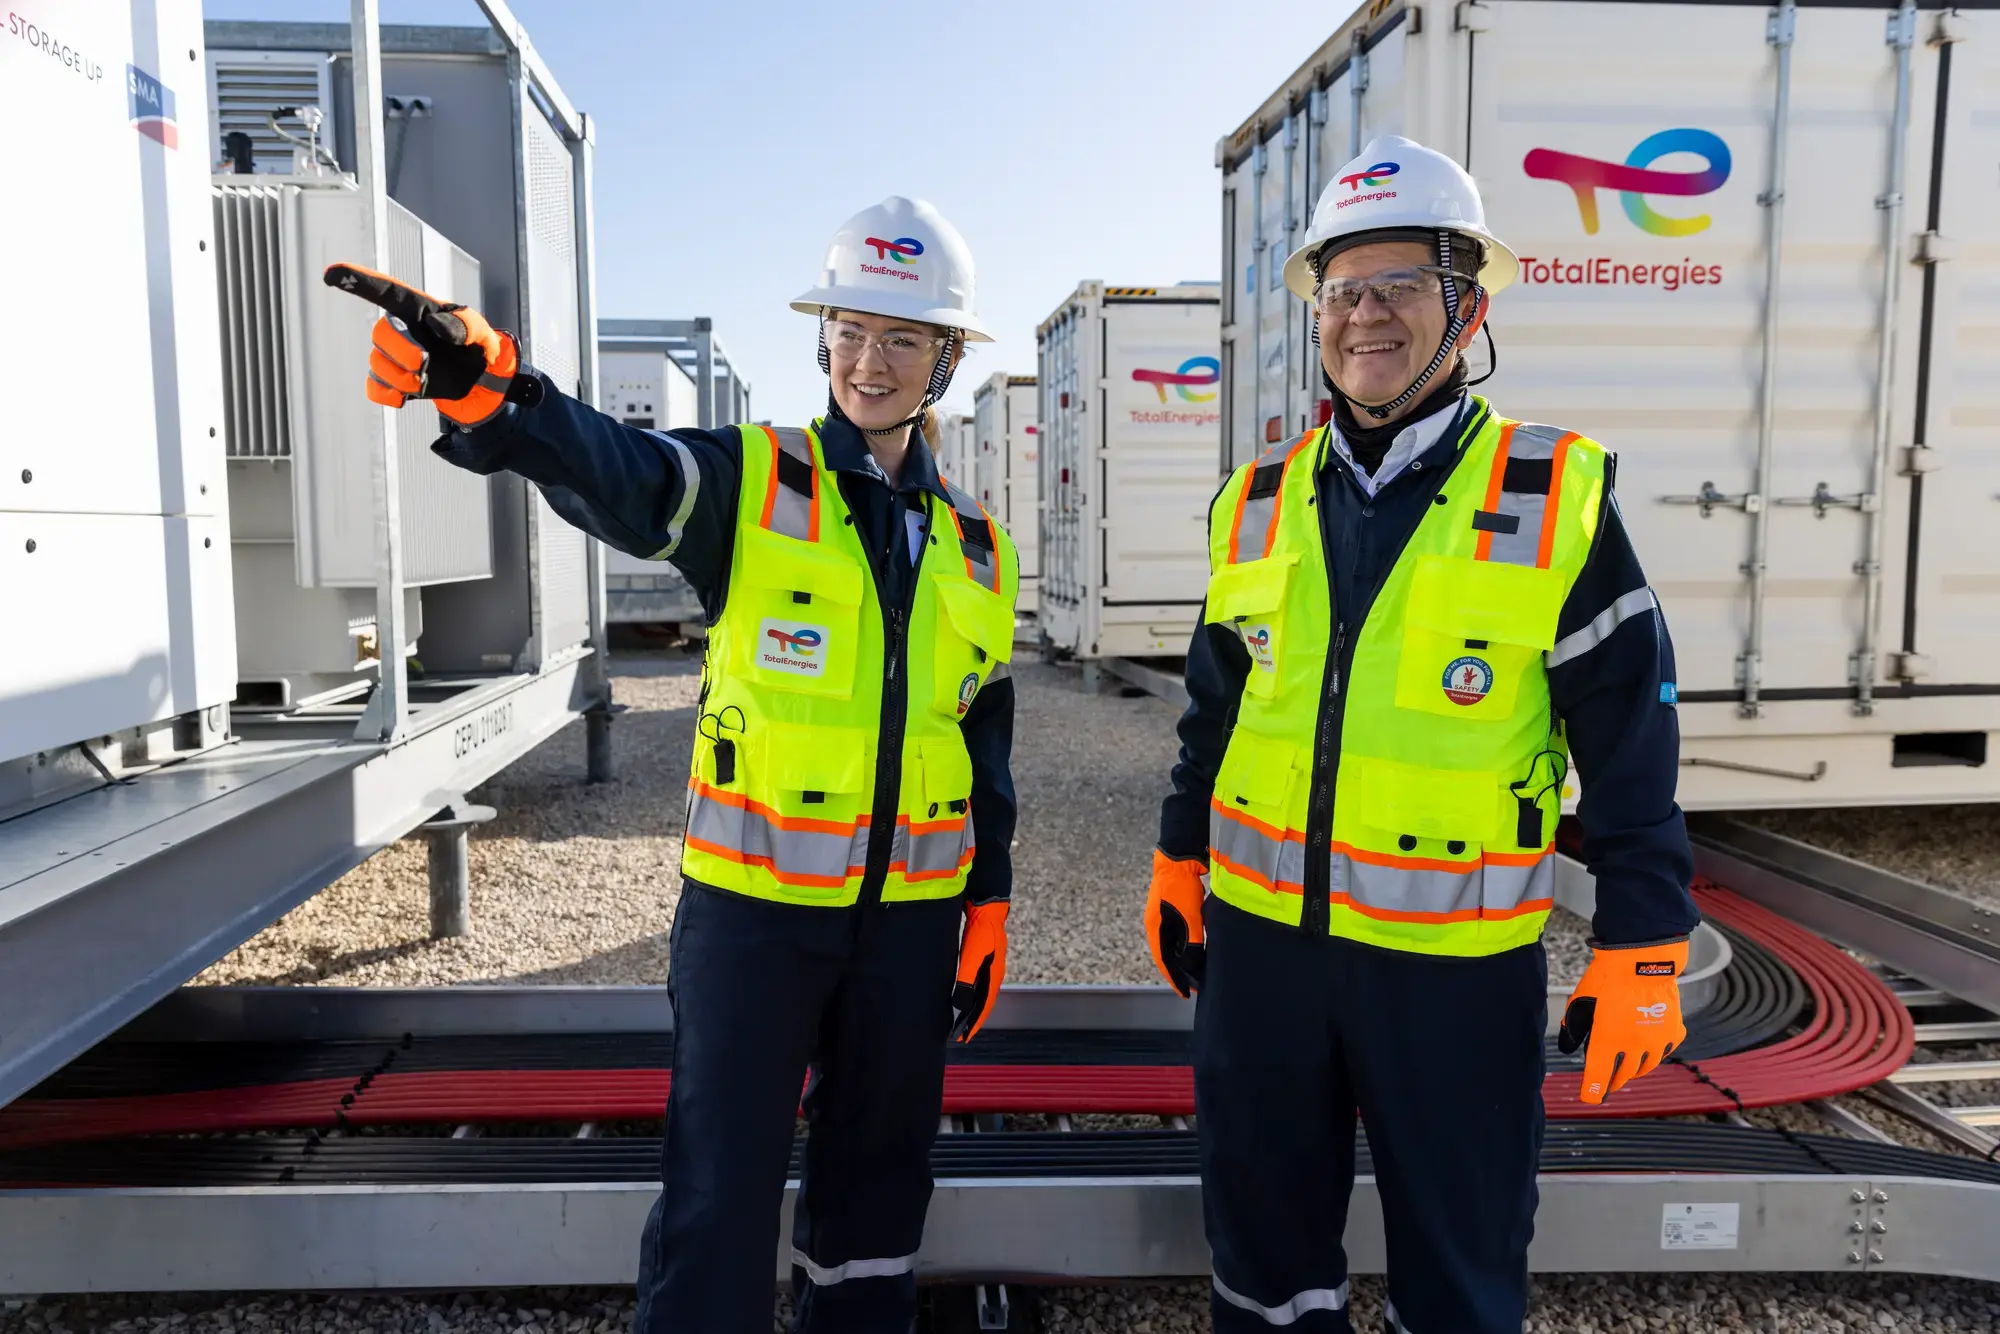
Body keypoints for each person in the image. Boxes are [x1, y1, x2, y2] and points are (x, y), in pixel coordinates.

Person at [327, 195, 1021, 1333]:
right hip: (754, 921)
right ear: (822, 337)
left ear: (945, 355)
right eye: (848, 329)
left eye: (901, 336)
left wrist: (985, 896)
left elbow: (980, 731)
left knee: (880, 1189)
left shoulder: (977, 547)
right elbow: (622, 471)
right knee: (719, 1192)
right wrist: (500, 398)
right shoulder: (755, 483)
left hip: (908, 926)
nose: (867, 360)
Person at [1143, 136, 1699, 1334]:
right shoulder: (1252, 503)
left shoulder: (1549, 494)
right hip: (1262, 965)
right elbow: (1214, 704)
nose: (1365, 316)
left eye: (1399, 284)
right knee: (1259, 1259)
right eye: (1342, 290)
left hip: (1450, 974)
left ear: (1468, 307)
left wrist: (1644, 933)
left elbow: (1628, 727)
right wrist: (1178, 851)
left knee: (1459, 1269)